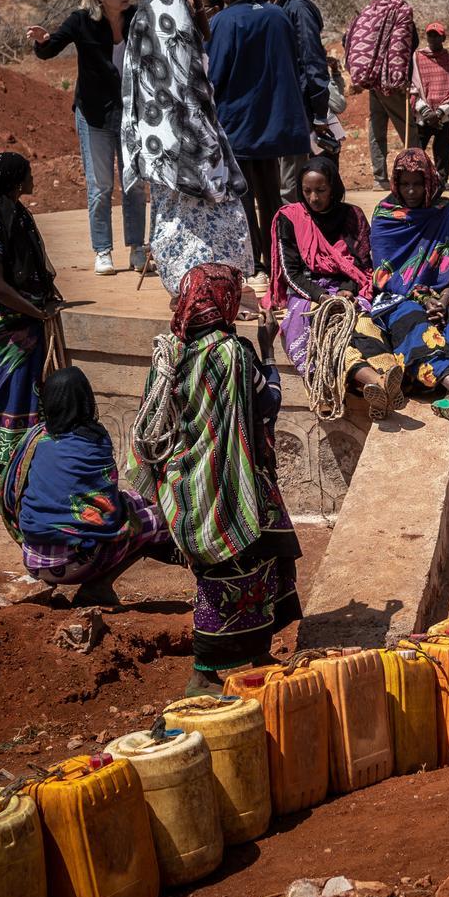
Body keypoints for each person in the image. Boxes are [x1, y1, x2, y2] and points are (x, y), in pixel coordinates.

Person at [126, 264, 303, 694]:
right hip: (229, 479)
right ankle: (203, 671)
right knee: (235, 569)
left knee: (265, 555)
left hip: (188, 482)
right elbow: (266, 404)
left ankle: (259, 651)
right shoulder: (231, 354)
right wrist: (268, 353)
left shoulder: (168, 352)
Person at [124, 0, 252, 294]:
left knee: (172, 215)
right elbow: (200, 50)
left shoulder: (141, 19)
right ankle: (204, 282)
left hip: (161, 139)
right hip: (194, 136)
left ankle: (184, 284)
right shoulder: (178, 21)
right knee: (210, 208)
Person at [0, 368, 177, 605]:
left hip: (33, 556)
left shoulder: (34, 437)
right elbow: (110, 516)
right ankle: (98, 586)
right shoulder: (93, 442)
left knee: (134, 501)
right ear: (86, 399)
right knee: (161, 515)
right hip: (76, 563)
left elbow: (11, 495)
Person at [266, 154, 408, 417]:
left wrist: (348, 289)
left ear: (333, 188)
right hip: (308, 290)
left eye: (321, 190)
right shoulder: (290, 217)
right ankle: (376, 382)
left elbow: (362, 262)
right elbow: (290, 272)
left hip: (348, 287)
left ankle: (386, 373)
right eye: (307, 191)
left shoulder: (351, 215)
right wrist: (321, 297)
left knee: (363, 322)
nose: (314, 198)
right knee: (326, 330)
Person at [29, 0, 145, 274]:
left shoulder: (137, 18)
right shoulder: (81, 21)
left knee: (134, 183)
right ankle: (103, 251)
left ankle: (137, 248)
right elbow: (51, 48)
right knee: (101, 186)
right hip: (94, 114)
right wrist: (42, 41)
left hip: (132, 114)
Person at [0, 152, 60, 512]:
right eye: (29, 173)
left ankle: (0, 476)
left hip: (25, 322)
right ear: (17, 182)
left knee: (21, 402)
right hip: (3, 326)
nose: (34, 177)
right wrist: (34, 311)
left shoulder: (19, 214)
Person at [206, 0, 312, 281]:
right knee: (271, 194)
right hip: (275, 120)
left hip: (238, 122)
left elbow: (215, 74)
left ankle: (255, 265)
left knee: (244, 197)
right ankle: (279, 261)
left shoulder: (223, 22)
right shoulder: (278, 16)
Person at [363, 148, 449, 424]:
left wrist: (445, 297)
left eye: (418, 184)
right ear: (395, 183)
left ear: (429, 182)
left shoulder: (443, 213)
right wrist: (421, 297)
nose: (412, 191)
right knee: (415, 325)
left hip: (444, 291)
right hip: (397, 296)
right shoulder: (386, 216)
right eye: (405, 184)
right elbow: (385, 273)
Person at [250, 0, 334, 196]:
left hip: (296, 109)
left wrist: (319, 113)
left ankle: (294, 235)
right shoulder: (274, 7)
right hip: (280, 108)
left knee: (291, 187)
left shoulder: (297, 8)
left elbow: (313, 60)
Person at [344, 0, 417, 180]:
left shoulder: (371, 8)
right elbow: (399, 47)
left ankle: (379, 177)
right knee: (407, 128)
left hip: (371, 79)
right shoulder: (403, 10)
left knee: (377, 126)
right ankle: (415, 172)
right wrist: (398, 79)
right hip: (389, 81)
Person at [408, 22, 449, 188]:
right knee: (417, 151)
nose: (433, 38)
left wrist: (438, 113)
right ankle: (416, 181)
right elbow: (412, 87)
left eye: (436, 35)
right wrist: (425, 111)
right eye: (430, 35)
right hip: (422, 115)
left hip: (443, 115)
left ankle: (442, 181)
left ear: (443, 38)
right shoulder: (416, 59)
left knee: (443, 151)